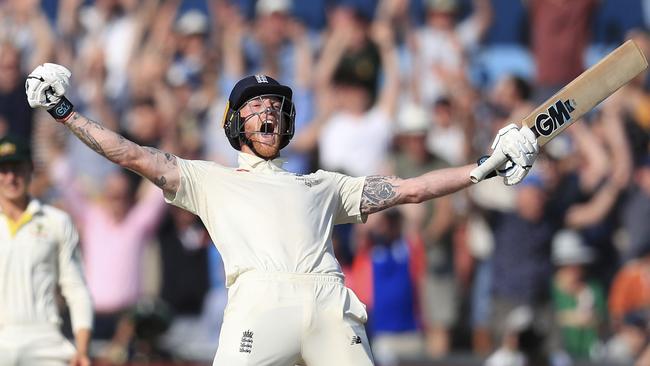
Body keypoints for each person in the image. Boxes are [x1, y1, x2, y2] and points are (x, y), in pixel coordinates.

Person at [25, 62, 539, 365]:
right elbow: (131, 154)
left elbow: (411, 189)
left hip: (328, 301)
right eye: (253, 105)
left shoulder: (322, 185)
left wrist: (483, 167)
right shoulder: (209, 179)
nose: (267, 110)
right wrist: (63, 110)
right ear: (234, 124)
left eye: (274, 104)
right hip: (259, 303)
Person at [0, 135, 93, 365]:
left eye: (17, 168)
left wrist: (81, 349)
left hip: (45, 340)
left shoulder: (56, 221)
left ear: (30, 170)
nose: (11, 177)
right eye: (3, 170)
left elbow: (75, 287)